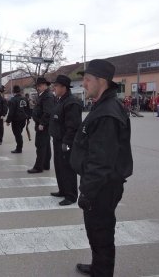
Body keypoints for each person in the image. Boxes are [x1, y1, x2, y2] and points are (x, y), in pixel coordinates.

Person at [70, 59, 133, 276]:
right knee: (97, 230)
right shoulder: (103, 106)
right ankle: (99, 266)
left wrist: (87, 191)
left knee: (101, 231)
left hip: (102, 186)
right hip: (101, 184)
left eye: (87, 80)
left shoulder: (107, 113)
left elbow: (101, 160)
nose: (84, 84)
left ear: (101, 81)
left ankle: (103, 271)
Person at [48, 75, 82, 206]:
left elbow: (72, 126)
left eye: (56, 86)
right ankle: (62, 190)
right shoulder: (60, 100)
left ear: (64, 87)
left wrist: (66, 143)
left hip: (65, 142)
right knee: (59, 166)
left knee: (67, 168)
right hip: (57, 140)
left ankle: (71, 195)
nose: (54, 88)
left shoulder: (71, 102)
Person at [27, 77, 55, 173]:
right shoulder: (43, 95)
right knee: (45, 145)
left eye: (40, 85)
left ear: (45, 85)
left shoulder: (47, 96)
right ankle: (45, 164)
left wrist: (42, 123)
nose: (39, 87)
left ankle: (38, 167)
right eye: (38, 86)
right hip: (42, 124)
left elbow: (48, 112)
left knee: (40, 145)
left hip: (43, 125)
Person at [6, 85, 30, 153]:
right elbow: (28, 109)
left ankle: (19, 148)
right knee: (19, 133)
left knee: (17, 134)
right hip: (23, 119)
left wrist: (8, 121)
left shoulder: (13, 100)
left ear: (13, 91)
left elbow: (11, 112)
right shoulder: (25, 99)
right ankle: (19, 147)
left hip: (16, 120)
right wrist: (28, 118)